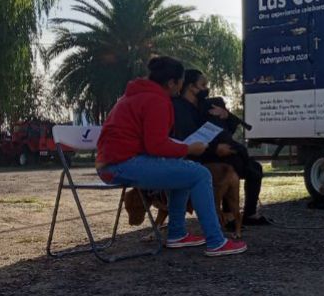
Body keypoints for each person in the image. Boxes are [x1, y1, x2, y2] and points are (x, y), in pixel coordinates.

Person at [95, 56, 247, 257]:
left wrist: (180, 152)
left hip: (112, 163)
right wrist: (189, 149)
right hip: (121, 165)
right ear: (171, 83)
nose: (182, 86)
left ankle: (176, 234)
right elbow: (156, 145)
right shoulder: (157, 100)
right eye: (181, 81)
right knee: (200, 174)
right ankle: (216, 241)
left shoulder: (133, 96)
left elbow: (149, 142)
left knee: (183, 171)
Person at [173, 69, 268, 227]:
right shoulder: (179, 108)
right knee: (233, 164)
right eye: (202, 85)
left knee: (255, 168)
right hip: (198, 155)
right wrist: (214, 149)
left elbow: (225, 130)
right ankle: (228, 215)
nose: (206, 88)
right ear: (190, 86)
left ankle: (249, 213)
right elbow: (184, 139)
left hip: (221, 150)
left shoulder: (207, 104)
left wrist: (225, 115)